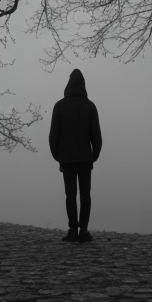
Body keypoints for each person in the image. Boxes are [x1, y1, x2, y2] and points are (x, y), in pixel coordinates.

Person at [49, 68, 102, 243]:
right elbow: (97, 138)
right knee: (86, 195)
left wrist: (58, 156)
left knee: (70, 195)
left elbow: (53, 137)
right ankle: (84, 230)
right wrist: (93, 156)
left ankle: (72, 229)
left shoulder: (59, 106)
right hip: (85, 159)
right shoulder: (90, 106)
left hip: (67, 159)